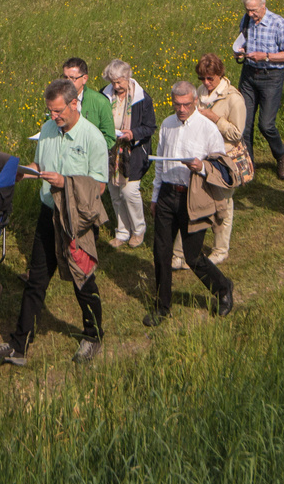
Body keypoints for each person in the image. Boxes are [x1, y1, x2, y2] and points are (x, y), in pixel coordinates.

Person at [0, 79, 109, 367]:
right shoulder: (46, 130)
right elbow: (40, 166)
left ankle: (93, 336)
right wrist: (25, 174)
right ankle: (19, 346)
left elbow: (100, 187)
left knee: (83, 279)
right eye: (50, 112)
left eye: (58, 112)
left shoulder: (93, 138)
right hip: (48, 214)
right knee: (36, 281)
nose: (54, 117)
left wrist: (65, 182)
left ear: (73, 104)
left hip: (76, 220)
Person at [144, 81, 235, 324]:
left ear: (195, 101)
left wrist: (202, 167)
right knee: (161, 253)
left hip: (193, 197)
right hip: (166, 195)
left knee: (193, 256)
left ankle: (223, 288)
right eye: (177, 104)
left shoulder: (207, 129)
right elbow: (160, 164)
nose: (181, 109)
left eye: (186, 104)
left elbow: (220, 166)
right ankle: (162, 307)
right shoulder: (167, 124)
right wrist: (155, 197)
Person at [235, 0, 284, 180]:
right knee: (244, 124)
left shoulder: (278, 23)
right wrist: (240, 51)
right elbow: (242, 40)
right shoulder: (246, 21)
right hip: (248, 75)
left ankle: (281, 155)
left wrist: (266, 56)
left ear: (263, 5)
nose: (251, 14)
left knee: (266, 124)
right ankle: (248, 167)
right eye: (248, 10)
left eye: (254, 10)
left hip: (271, 77)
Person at [195, 53, 248, 265]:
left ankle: (220, 249)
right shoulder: (200, 92)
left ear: (220, 75)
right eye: (202, 79)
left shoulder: (233, 98)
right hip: (204, 156)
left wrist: (215, 118)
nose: (206, 84)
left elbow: (237, 134)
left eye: (210, 79)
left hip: (225, 159)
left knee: (223, 204)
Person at [100, 60, 155, 249]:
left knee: (129, 191)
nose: (116, 86)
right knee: (115, 192)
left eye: (120, 82)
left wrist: (133, 134)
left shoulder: (142, 98)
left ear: (128, 77)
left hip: (134, 151)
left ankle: (138, 230)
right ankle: (122, 232)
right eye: (113, 82)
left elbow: (149, 127)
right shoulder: (104, 95)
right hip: (110, 150)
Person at [62, 58, 116, 146]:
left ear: (84, 78)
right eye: (65, 77)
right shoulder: (58, 100)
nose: (68, 82)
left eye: (72, 78)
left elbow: (109, 138)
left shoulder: (100, 102)